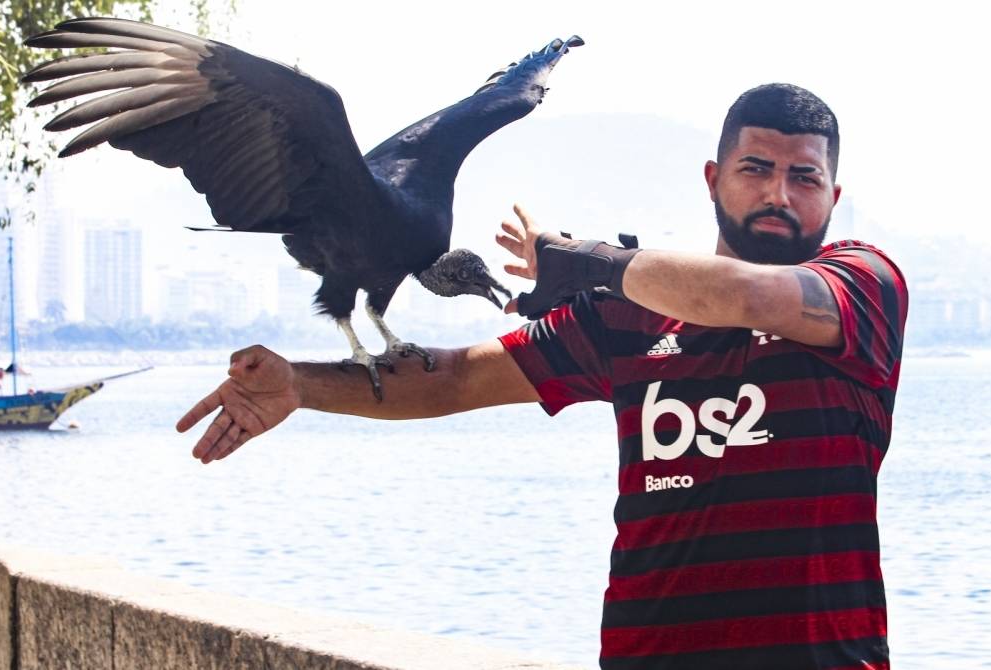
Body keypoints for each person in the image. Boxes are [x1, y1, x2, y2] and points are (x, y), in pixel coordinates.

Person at [178, 83, 908, 669]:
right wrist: (303, 386)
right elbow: (456, 380)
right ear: (715, 179)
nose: (780, 192)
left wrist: (581, 261)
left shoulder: (860, 288)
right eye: (757, 170)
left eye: (804, 176)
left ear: (833, 198)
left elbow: (748, 296)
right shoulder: (625, 317)